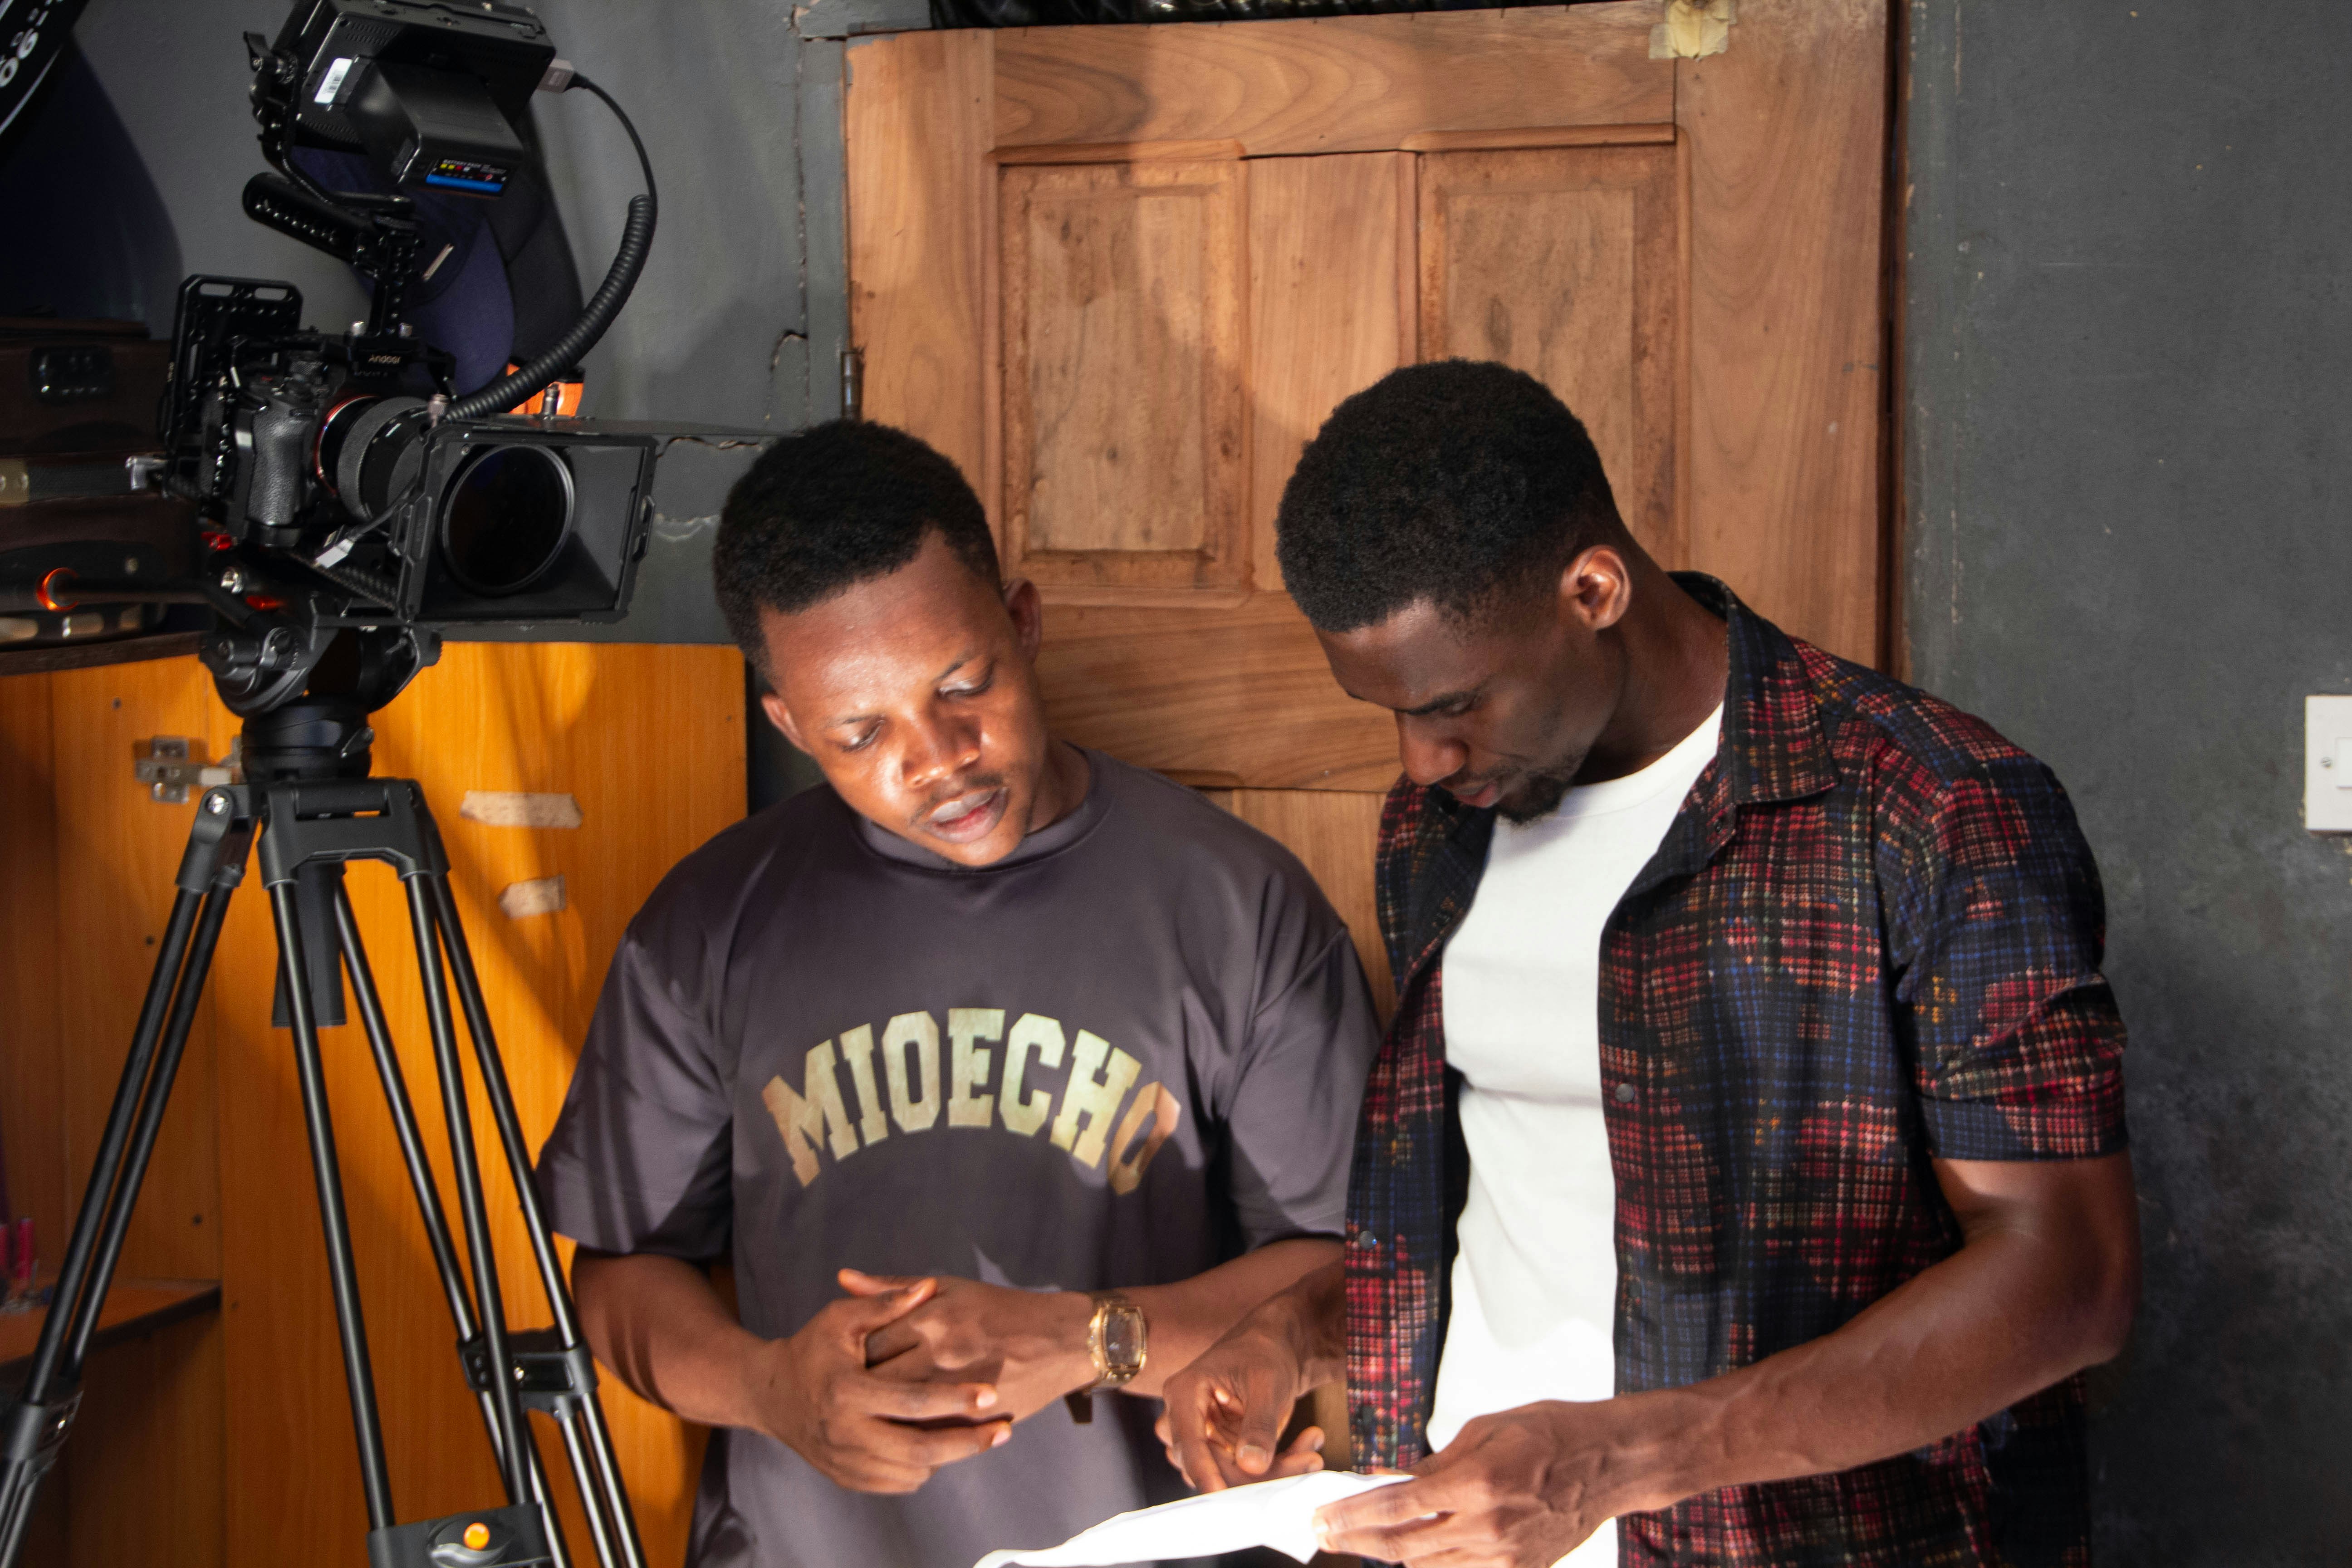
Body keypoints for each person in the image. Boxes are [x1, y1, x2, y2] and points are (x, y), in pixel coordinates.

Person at [1157, 361, 2139, 1567]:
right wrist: (1297, 1330)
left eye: (1455, 704)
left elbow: (2069, 1278)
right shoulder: (1441, 827)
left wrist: (1622, 1462)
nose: (1421, 759)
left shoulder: (1932, 808)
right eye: (1393, 714)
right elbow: (1504, 1206)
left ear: (1594, 588)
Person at [534, 420, 1382, 1568]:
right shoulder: (706, 926)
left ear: (1022, 624)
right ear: (789, 724)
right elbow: (618, 1269)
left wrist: (1094, 1337)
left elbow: (1351, 1272)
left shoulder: (1240, 907)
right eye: (859, 732)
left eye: (964, 685)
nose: (938, 757)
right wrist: (768, 1386)